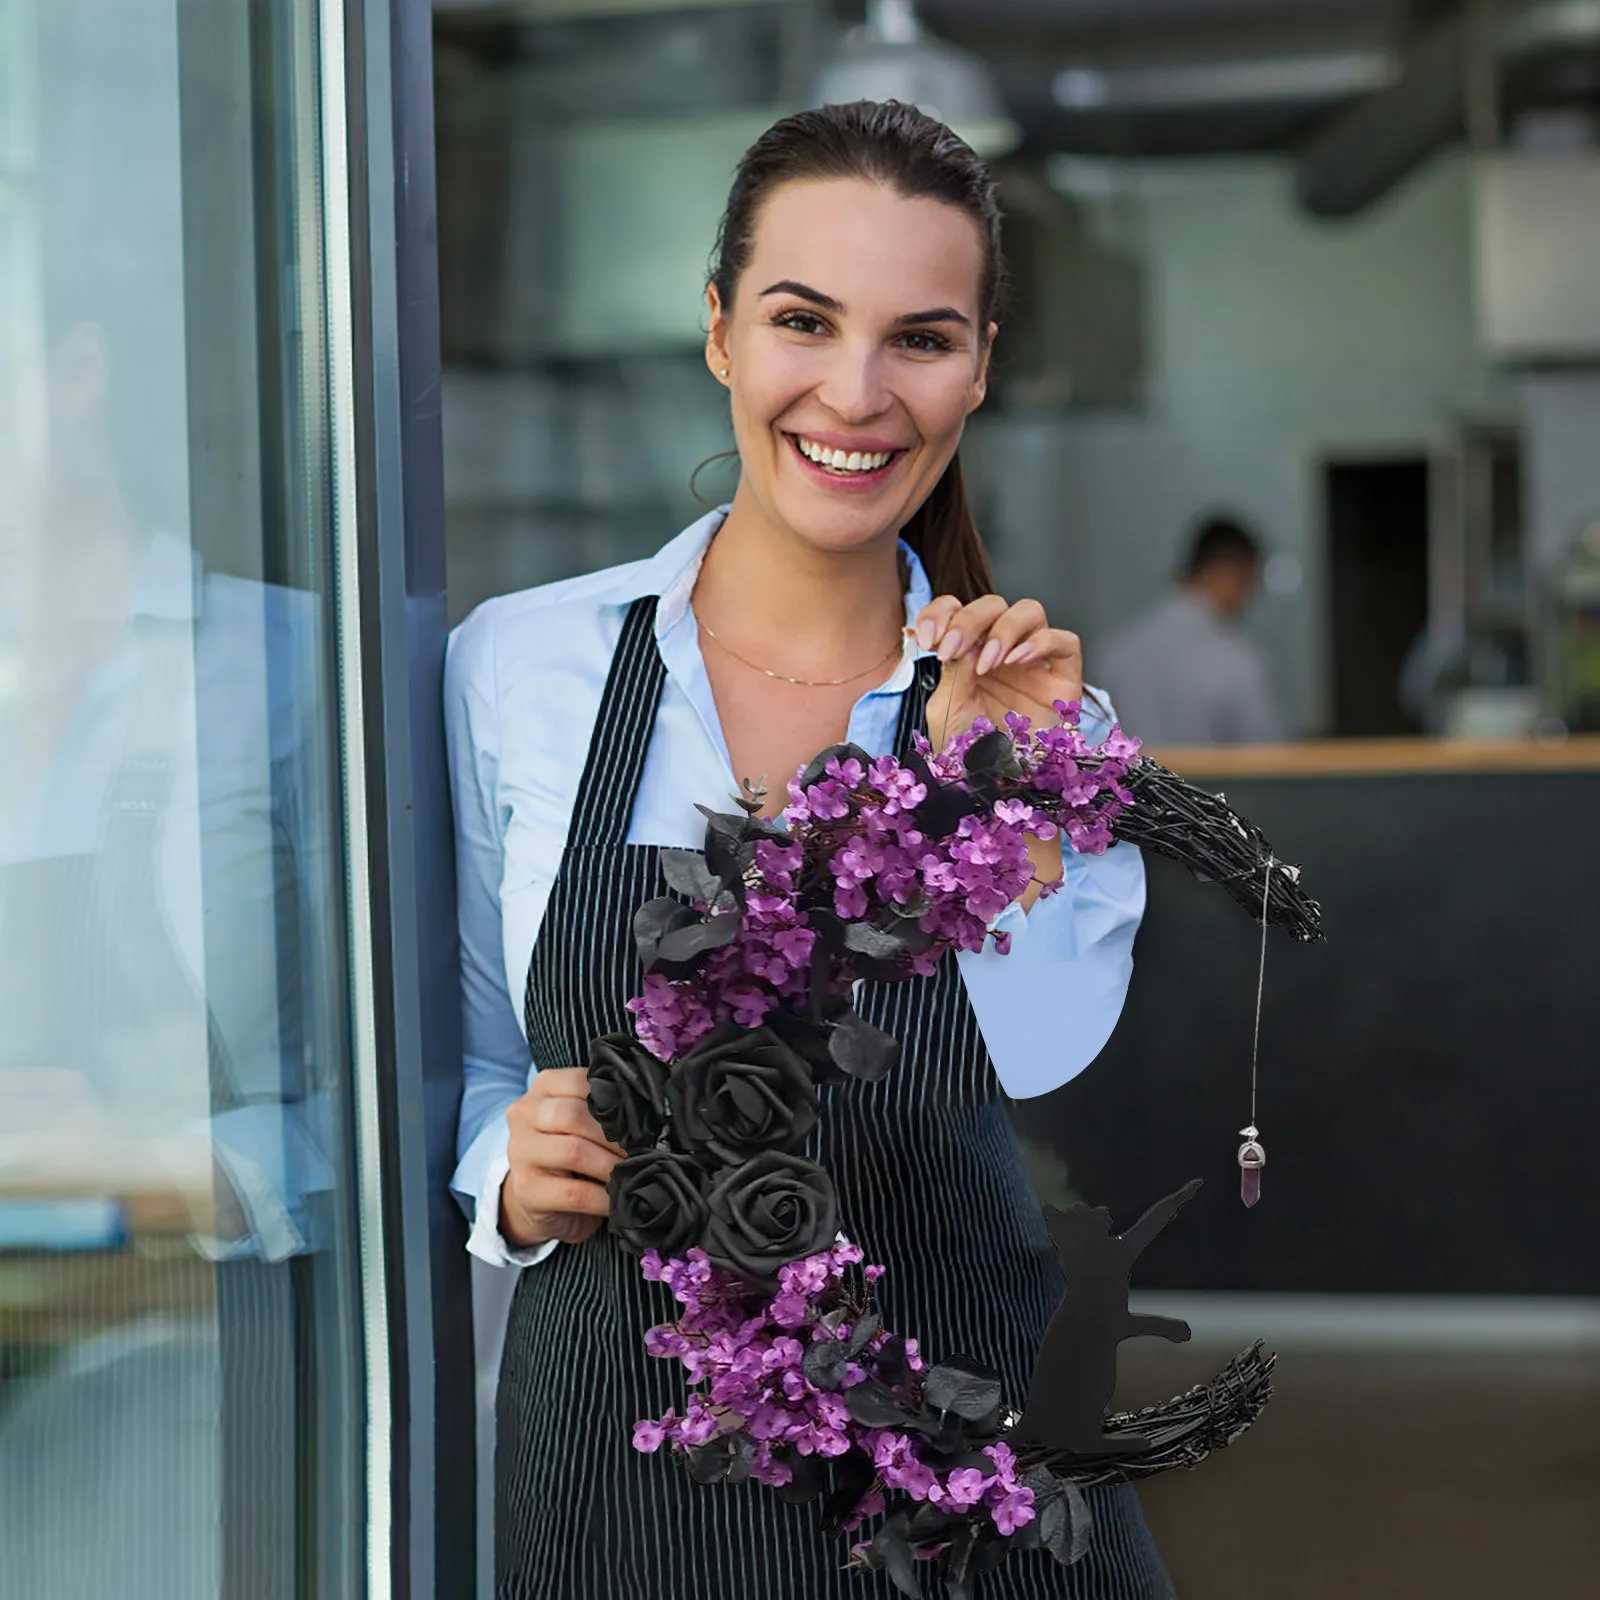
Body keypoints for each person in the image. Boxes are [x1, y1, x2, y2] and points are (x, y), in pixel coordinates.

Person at [446, 101, 1172, 1599]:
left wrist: (1007, 791)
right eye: (801, 319)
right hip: (618, 1478)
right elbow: (463, 1057)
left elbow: (1037, 1057)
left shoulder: (1044, 714)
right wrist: (499, 1175)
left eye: (920, 337)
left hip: (968, 1475)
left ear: (979, 367)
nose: (856, 391)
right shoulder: (523, 669)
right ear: (718, 331)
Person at [1099, 516, 1284, 745]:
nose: (1250, 598)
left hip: (1128, 781)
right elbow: (1268, 757)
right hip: (1206, 782)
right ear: (1230, 573)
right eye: (1250, 582)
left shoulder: (1117, 651)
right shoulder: (1237, 659)